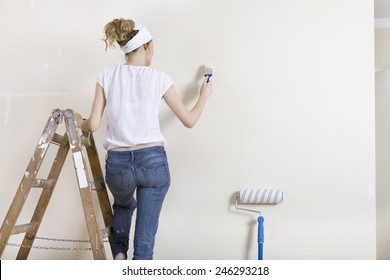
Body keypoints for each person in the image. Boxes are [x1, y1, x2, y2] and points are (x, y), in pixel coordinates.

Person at [74, 18, 213, 260]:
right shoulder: (159, 78)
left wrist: (79, 121)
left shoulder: (106, 76)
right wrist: (204, 96)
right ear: (146, 46)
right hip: (152, 161)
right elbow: (189, 120)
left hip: (118, 165)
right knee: (145, 245)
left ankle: (119, 254)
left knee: (123, 206)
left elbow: (93, 125)